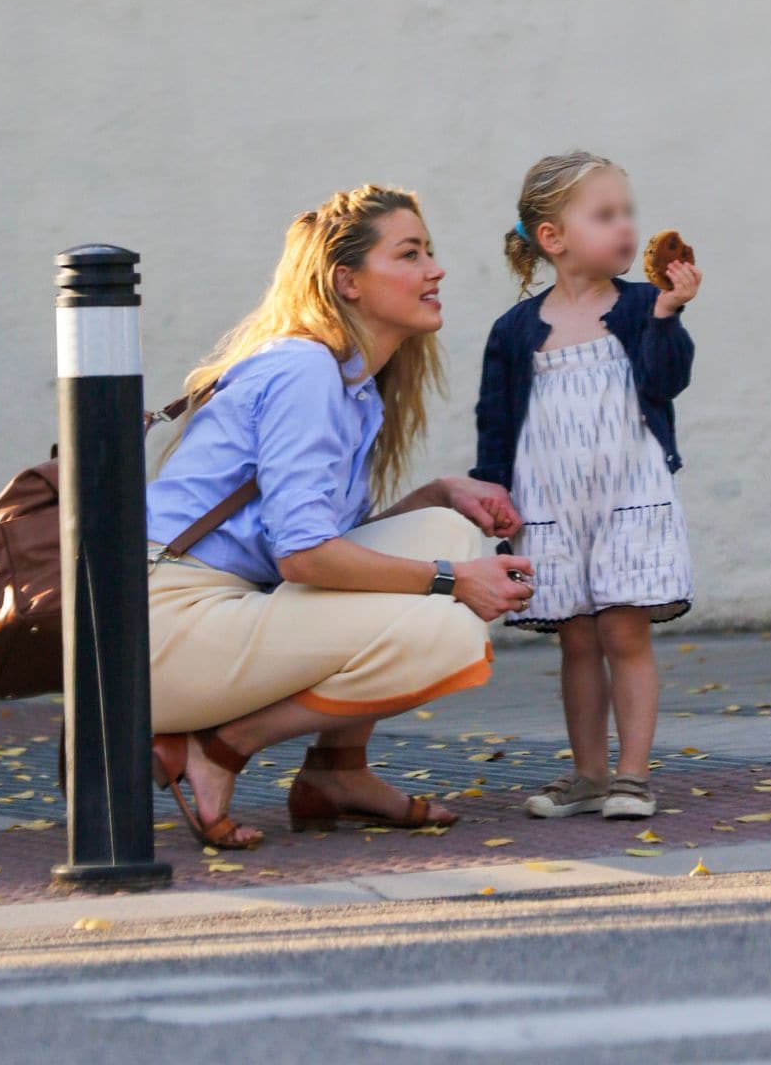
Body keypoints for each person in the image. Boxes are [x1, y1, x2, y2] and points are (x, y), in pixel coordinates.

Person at [146, 184, 533, 849]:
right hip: (166, 628)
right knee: (442, 630)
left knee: (451, 528)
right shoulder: (306, 373)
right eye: (410, 254)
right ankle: (221, 746)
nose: (435, 269)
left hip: (218, 610)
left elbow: (328, 545)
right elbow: (305, 560)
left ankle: (336, 773)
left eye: (429, 252)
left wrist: (438, 494)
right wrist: (451, 581)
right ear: (347, 281)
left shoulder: (347, 385)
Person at [471, 151, 701, 820]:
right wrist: (493, 491)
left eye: (627, 212)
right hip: (549, 501)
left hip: (628, 494)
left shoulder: (639, 307)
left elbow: (664, 383)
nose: (625, 228)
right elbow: (495, 417)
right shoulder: (515, 330)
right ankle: (588, 774)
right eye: (605, 215)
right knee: (575, 636)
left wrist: (667, 314)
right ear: (552, 238)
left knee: (623, 633)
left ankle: (631, 775)